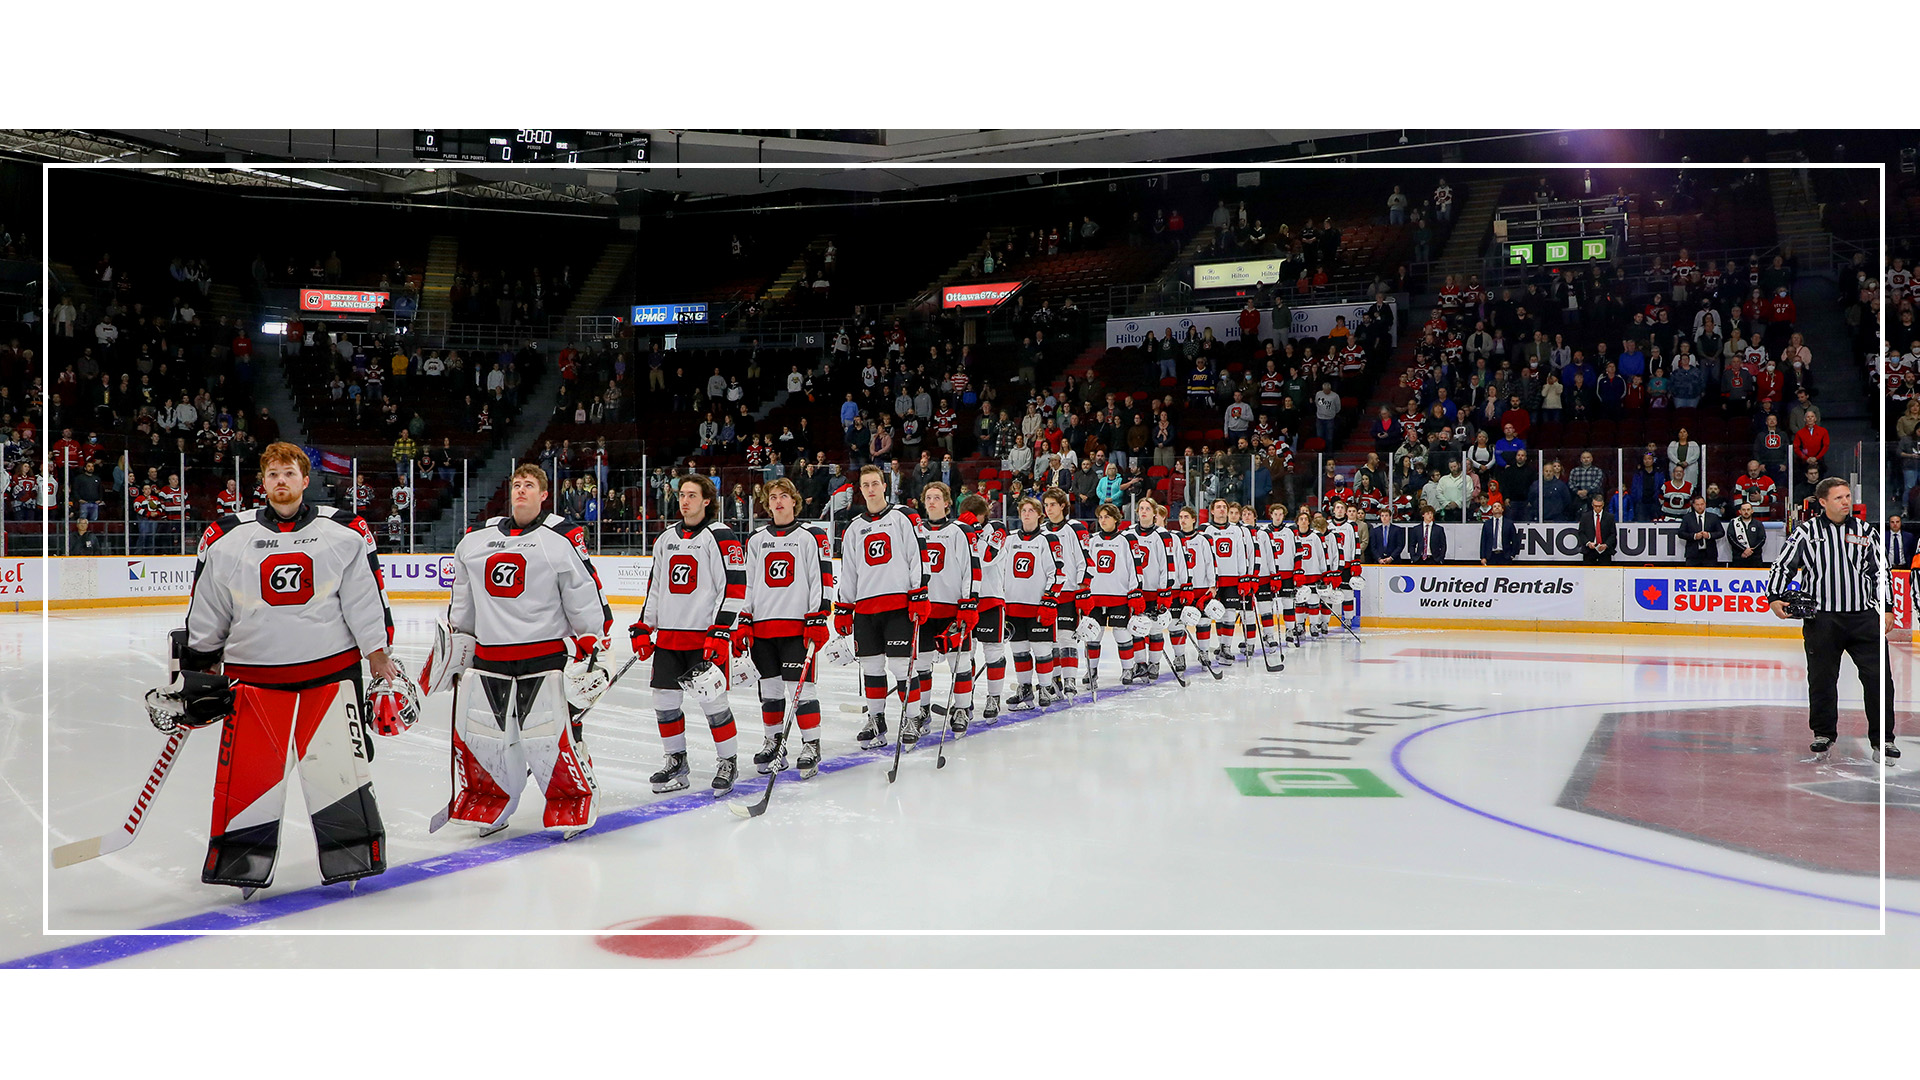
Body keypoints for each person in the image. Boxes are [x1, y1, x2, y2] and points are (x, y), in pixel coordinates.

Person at [156, 442, 400, 893]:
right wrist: (200, 665)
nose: (281, 481)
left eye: (289, 473)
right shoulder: (226, 536)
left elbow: (365, 600)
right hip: (255, 679)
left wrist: (378, 654)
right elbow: (209, 608)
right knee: (251, 775)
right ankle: (242, 861)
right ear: (263, 483)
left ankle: (351, 851)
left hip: (331, 676)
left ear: (305, 481)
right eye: (273, 475)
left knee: (336, 771)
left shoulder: (345, 530)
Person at [439, 464, 612, 835]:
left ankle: (577, 795)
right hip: (490, 657)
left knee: (553, 736)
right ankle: (498, 803)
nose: (521, 490)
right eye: (516, 484)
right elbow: (463, 603)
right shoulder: (475, 540)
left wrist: (592, 640)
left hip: (544, 655)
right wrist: (458, 648)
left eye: (529, 485)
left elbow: (583, 592)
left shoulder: (560, 537)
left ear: (544, 494)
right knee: (489, 740)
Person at [629, 474, 749, 795]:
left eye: (692, 495)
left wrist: (721, 629)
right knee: (664, 702)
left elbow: (734, 586)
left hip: (704, 638)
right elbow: (655, 587)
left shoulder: (720, 535)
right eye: (682, 495)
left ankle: (728, 761)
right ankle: (676, 761)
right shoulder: (666, 539)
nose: (684, 501)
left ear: (707, 500)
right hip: (669, 638)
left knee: (713, 703)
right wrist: (644, 626)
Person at [1767, 479, 1898, 762]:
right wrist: (1774, 596)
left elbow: (1881, 571)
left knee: (1879, 680)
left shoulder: (1866, 531)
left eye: (1848, 496)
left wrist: (1887, 607)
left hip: (1864, 617)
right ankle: (1823, 734)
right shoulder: (1806, 532)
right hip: (1822, 618)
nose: (1846, 502)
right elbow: (1783, 565)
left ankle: (1883, 739)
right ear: (1822, 502)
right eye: (1839, 497)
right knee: (1822, 679)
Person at [736, 478, 834, 779]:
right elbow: (747, 584)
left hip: (797, 627)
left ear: (795, 500)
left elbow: (823, 578)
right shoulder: (755, 540)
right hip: (763, 627)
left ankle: (811, 744)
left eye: (784, 496)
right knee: (770, 690)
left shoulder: (811, 536)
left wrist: (819, 616)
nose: (778, 501)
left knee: (801, 689)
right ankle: (774, 740)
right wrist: (744, 619)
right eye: (773, 497)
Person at [834, 464, 931, 747]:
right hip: (865, 609)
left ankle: (911, 717)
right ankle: (877, 719)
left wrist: (919, 594)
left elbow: (918, 557)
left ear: (885, 486)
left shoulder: (905, 517)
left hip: (898, 605)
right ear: (860, 490)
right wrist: (844, 607)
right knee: (871, 668)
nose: (872, 489)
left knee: (902, 668)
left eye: (876, 483)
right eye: (866, 485)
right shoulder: (854, 528)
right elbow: (849, 571)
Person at [902, 482, 980, 742]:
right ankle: (922, 710)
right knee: (921, 664)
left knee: (959, 662)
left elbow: (972, 569)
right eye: (928, 497)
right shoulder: (915, 531)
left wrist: (969, 604)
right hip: (923, 608)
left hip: (953, 610)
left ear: (948, 502)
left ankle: (961, 709)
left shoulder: (961, 531)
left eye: (937, 497)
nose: (932, 502)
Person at [998, 496, 1068, 709]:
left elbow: (1057, 573)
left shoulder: (1049, 539)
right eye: (1023, 510)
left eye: (1031, 510)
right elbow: (999, 571)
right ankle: (1025, 688)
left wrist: (1049, 601)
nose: (1026, 514)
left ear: (1040, 514)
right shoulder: (1009, 540)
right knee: (1019, 650)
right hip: (1013, 606)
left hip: (1038, 606)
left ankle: (1046, 687)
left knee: (1041, 650)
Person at [1079, 502, 1148, 689]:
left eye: (1107, 517)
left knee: (1121, 633)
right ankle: (1091, 670)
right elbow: (1085, 568)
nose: (1103, 521)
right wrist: (1083, 591)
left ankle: (1128, 668)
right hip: (1095, 597)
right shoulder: (1092, 540)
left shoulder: (1127, 539)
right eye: (1100, 517)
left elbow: (1136, 567)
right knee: (1093, 636)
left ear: (1116, 519)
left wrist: (1135, 592)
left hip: (1119, 596)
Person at [958, 493, 1011, 718]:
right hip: (966, 601)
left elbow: (986, 556)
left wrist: (975, 532)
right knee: (965, 654)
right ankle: (964, 700)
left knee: (992, 652)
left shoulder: (997, 529)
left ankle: (993, 698)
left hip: (991, 598)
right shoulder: (960, 531)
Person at [1041, 487, 1093, 698]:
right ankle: (1055, 680)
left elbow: (1086, 560)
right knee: (1049, 641)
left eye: (1052, 504)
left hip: (1069, 592)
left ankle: (1070, 679)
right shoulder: (1042, 530)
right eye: (1045, 505)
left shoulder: (1075, 528)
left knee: (1066, 638)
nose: (1048, 509)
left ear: (1063, 505)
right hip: (1046, 595)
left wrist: (1084, 589)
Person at [1679, 494, 1723, 567]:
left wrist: (1709, 535)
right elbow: (1681, 533)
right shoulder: (1687, 518)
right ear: (1693, 505)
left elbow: (1721, 532)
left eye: (1702, 504)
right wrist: (1694, 536)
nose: (1700, 506)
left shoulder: (1713, 517)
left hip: (1709, 555)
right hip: (1692, 554)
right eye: (1697, 504)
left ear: (1705, 504)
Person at [1578, 494, 1616, 564]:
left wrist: (1606, 544)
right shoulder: (1585, 517)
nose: (1597, 508)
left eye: (1600, 506)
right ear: (1592, 504)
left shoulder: (1609, 517)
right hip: (1589, 552)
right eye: (1595, 506)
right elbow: (1581, 532)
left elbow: (1613, 534)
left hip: (1605, 552)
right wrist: (1588, 543)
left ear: (1603, 505)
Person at [1479, 498, 1518, 565]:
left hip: (1505, 556)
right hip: (1490, 556)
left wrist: (1512, 555)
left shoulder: (1509, 523)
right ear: (1492, 511)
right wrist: (1483, 557)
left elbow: (1515, 540)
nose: (1497, 508)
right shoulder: (1487, 524)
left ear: (1502, 509)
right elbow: (1483, 541)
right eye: (1494, 506)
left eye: (1499, 506)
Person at [1728, 502, 1766, 568]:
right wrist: (1744, 550)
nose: (1746, 512)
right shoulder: (1733, 523)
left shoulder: (1758, 524)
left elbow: (1762, 539)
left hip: (1755, 558)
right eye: (1743, 510)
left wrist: (1751, 551)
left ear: (1752, 511)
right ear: (1740, 511)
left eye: (1748, 509)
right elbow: (1731, 538)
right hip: (1739, 557)